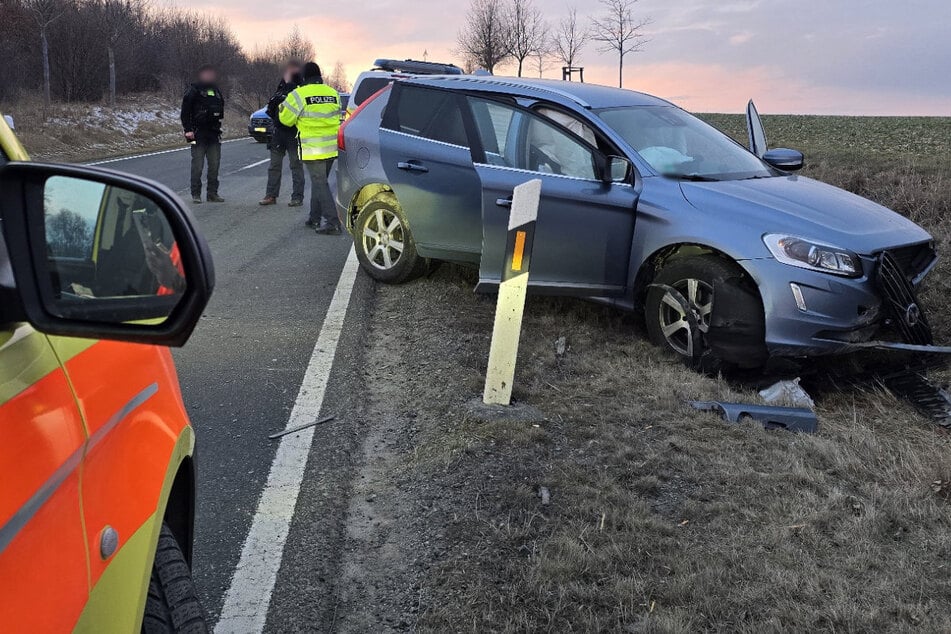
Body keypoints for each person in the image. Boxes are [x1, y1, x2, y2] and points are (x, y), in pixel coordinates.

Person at [278, 62, 342, 235]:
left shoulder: (299, 94)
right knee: (319, 182)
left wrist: (282, 106)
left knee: (319, 183)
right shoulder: (333, 93)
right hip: (331, 148)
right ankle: (314, 217)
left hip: (313, 149)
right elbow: (338, 117)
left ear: (305, 77)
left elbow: (286, 120)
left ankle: (332, 222)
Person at [260, 61, 305, 207]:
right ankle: (271, 195)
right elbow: (271, 107)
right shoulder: (280, 87)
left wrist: (289, 85)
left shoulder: (300, 87)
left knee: (296, 165)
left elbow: (299, 105)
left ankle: (297, 197)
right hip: (279, 132)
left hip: (295, 132)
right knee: (274, 166)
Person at [181, 65, 225, 204]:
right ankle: (196, 194)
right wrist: (188, 129)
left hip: (213, 133)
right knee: (197, 166)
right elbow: (185, 112)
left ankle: (212, 194)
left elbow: (220, 109)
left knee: (214, 165)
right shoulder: (193, 90)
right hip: (197, 133)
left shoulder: (216, 90)